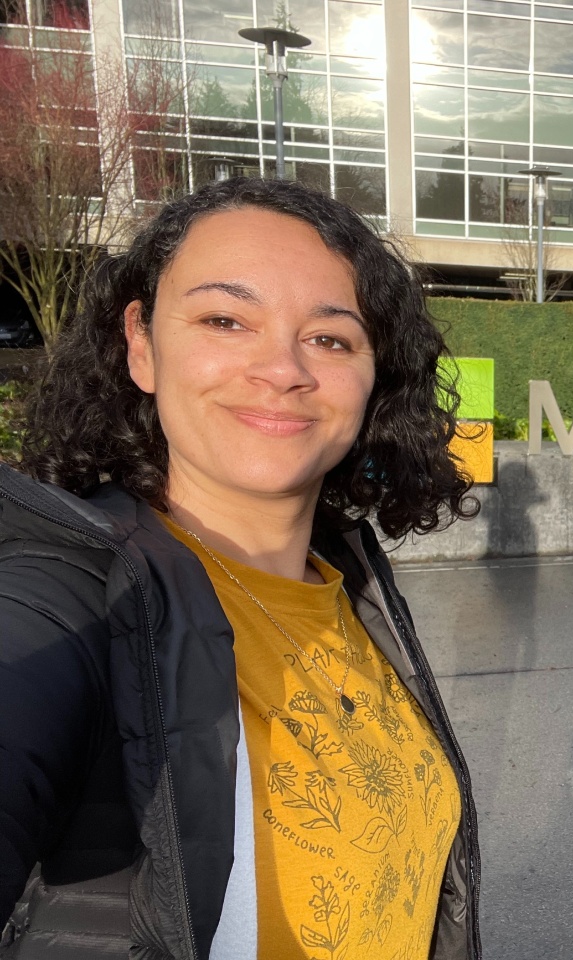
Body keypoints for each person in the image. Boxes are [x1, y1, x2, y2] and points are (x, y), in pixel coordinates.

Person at [0, 177, 481, 959]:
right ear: (143, 345)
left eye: (329, 338)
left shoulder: (352, 582)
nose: (282, 368)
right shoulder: (70, 600)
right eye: (226, 320)